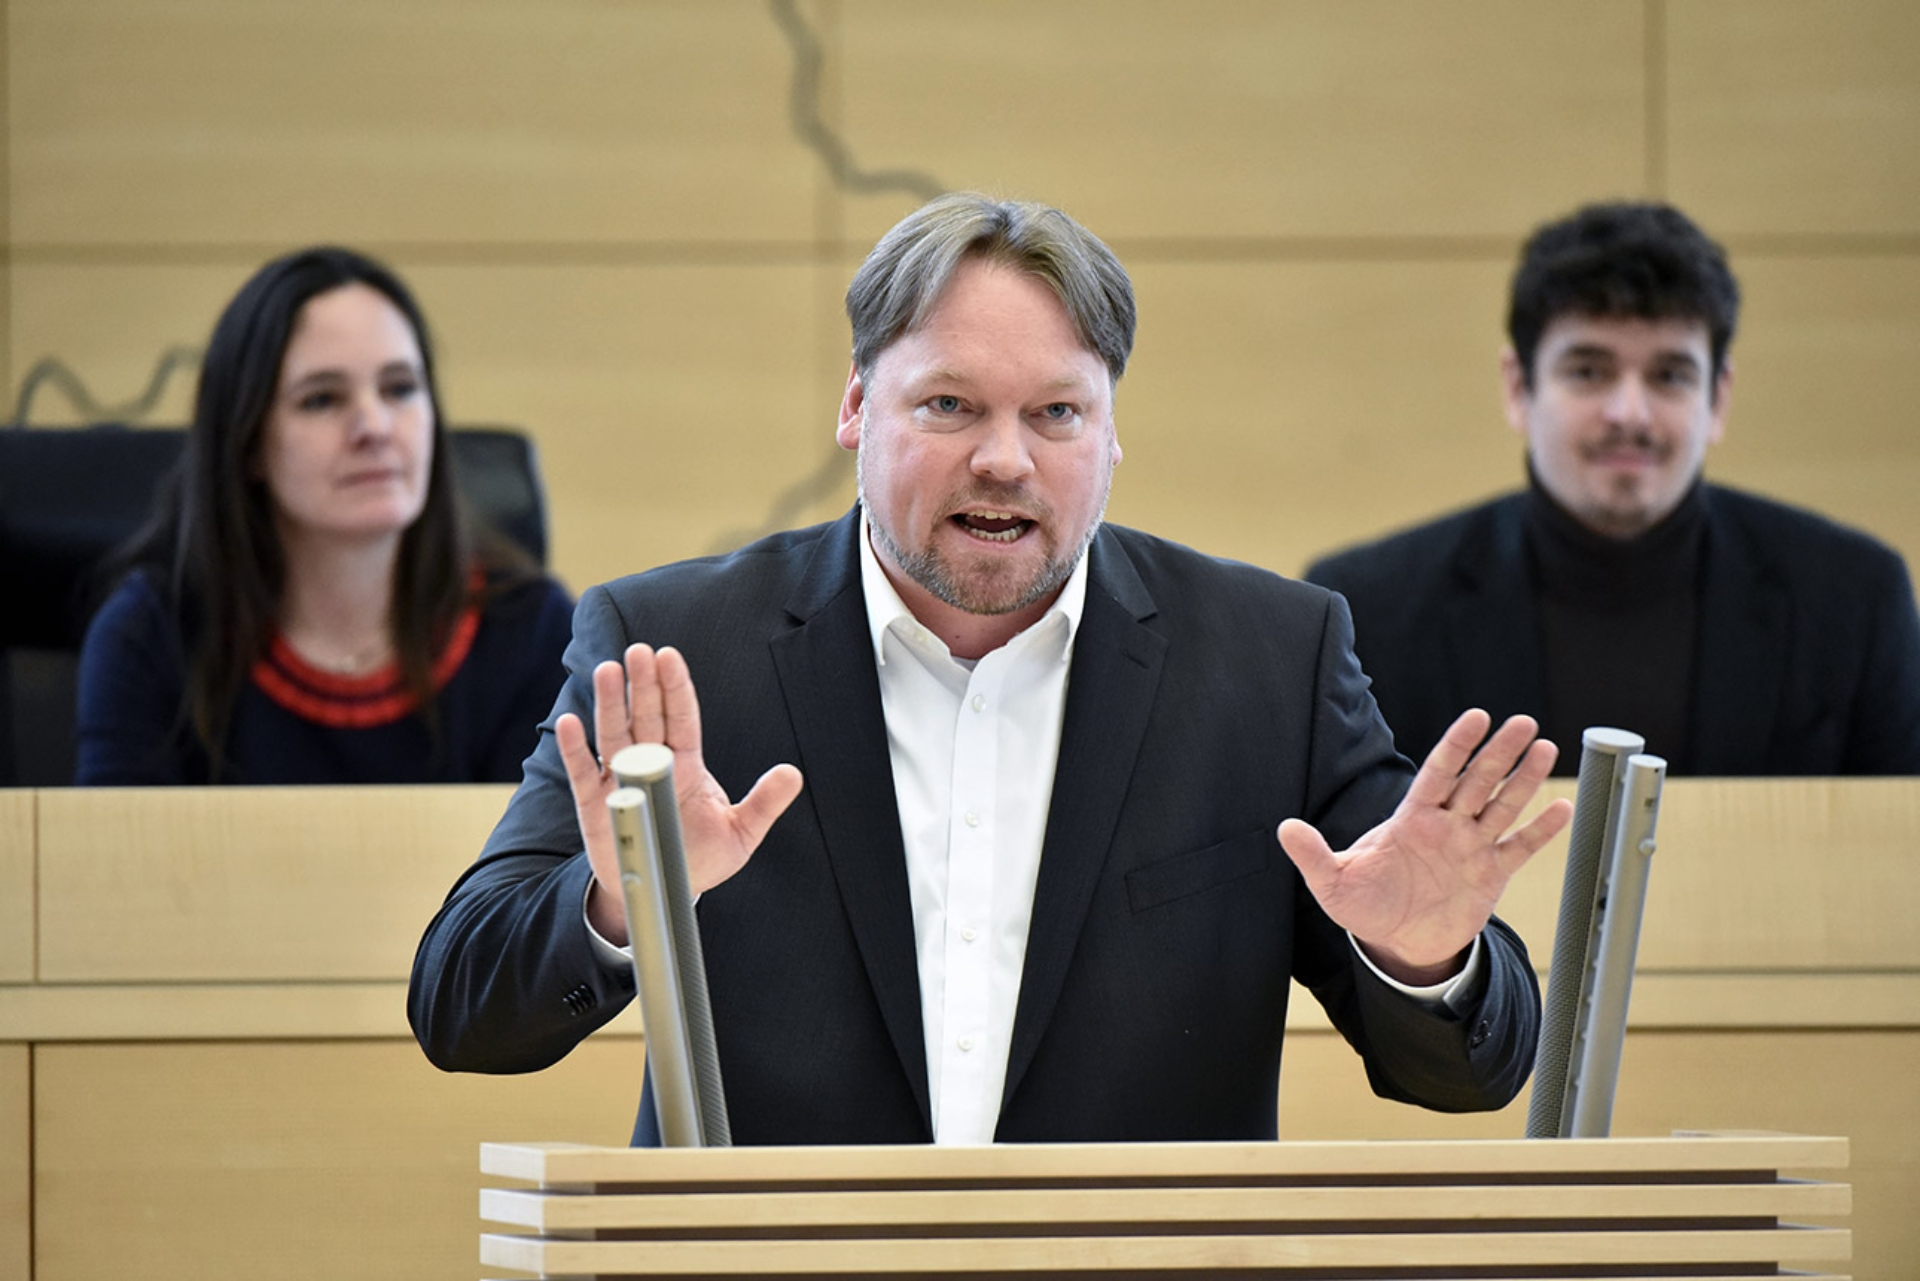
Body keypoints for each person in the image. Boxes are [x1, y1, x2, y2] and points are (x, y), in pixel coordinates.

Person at [409, 194, 1570, 1146]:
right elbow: (463, 1008)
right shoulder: (674, 650)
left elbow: (1474, 1073)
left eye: (1057, 412)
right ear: (859, 407)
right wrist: (628, 895)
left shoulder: (1270, 659)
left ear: (1112, 432)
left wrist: (1422, 954)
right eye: (950, 404)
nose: (1005, 459)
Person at [1307, 202, 1920, 775]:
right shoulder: (1371, 609)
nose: (1630, 412)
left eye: (1669, 375)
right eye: (1589, 371)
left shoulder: (1855, 600)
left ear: (1719, 398)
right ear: (1519, 387)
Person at [75, 247, 573, 785]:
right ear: (247, 443)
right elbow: (114, 864)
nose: (375, 426)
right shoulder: (150, 636)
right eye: (322, 400)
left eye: (400, 388)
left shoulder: (531, 632)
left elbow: (547, 865)